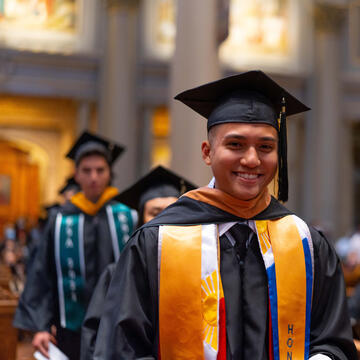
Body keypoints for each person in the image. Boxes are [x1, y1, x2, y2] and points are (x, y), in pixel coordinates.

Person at [94, 71, 357, 360]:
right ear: (207, 152)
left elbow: (334, 341)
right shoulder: (157, 242)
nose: (252, 159)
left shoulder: (306, 243)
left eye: (266, 147)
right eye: (236, 145)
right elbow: (121, 349)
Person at [13, 131, 137, 360]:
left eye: (100, 170)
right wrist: (41, 326)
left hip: (119, 326)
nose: (93, 177)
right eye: (86, 170)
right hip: (71, 329)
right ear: (76, 175)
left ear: (110, 174)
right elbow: (42, 274)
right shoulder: (60, 221)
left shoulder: (127, 217)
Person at [80, 165, 196, 360]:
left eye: (172, 211)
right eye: (155, 212)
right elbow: (94, 338)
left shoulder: (200, 269)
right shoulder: (116, 274)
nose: (164, 220)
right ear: (141, 220)